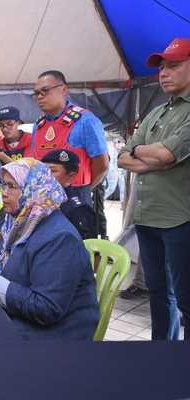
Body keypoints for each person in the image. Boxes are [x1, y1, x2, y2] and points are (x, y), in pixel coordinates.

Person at [0, 158, 99, 340]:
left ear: (34, 189)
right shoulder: (19, 220)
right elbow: (20, 262)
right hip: (23, 315)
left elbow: (46, 309)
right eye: (2, 186)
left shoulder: (60, 238)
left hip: (56, 333)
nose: (3, 194)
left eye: (12, 186)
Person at [117, 38, 190, 341]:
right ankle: (161, 356)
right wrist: (152, 158)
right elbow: (122, 156)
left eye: (173, 65)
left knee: (186, 299)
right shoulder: (157, 112)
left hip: (180, 220)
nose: (164, 73)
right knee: (159, 294)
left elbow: (167, 155)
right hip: (147, 218)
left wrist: (148, 155)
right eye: (161, 67)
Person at [31, 70, 109, 206]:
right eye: (36, 93)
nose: (40, 96)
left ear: (63, 90)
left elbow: (101, 165)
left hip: (75, 196)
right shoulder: (38, 125)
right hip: (43, 198)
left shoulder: (85, 120)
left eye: (45, 90)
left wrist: (84, 190)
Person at [41, 149, 97, 240]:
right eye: (43, 170)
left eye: (52, 171)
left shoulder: (77, 209)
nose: (45, 175)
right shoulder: (38, 200)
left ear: (71, 176)